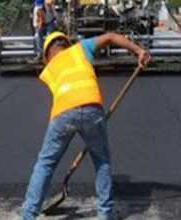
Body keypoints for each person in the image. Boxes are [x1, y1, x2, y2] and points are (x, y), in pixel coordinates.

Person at [21, 31, 150, 220]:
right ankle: (105, 214)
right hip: (92, 108)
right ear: (66, 44)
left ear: (47, 54)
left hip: (63, 114)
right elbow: (111, 37)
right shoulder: (80, 49)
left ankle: (28, 215)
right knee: (102, 161)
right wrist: (139, 51)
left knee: (46, 163)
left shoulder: (48, 69)